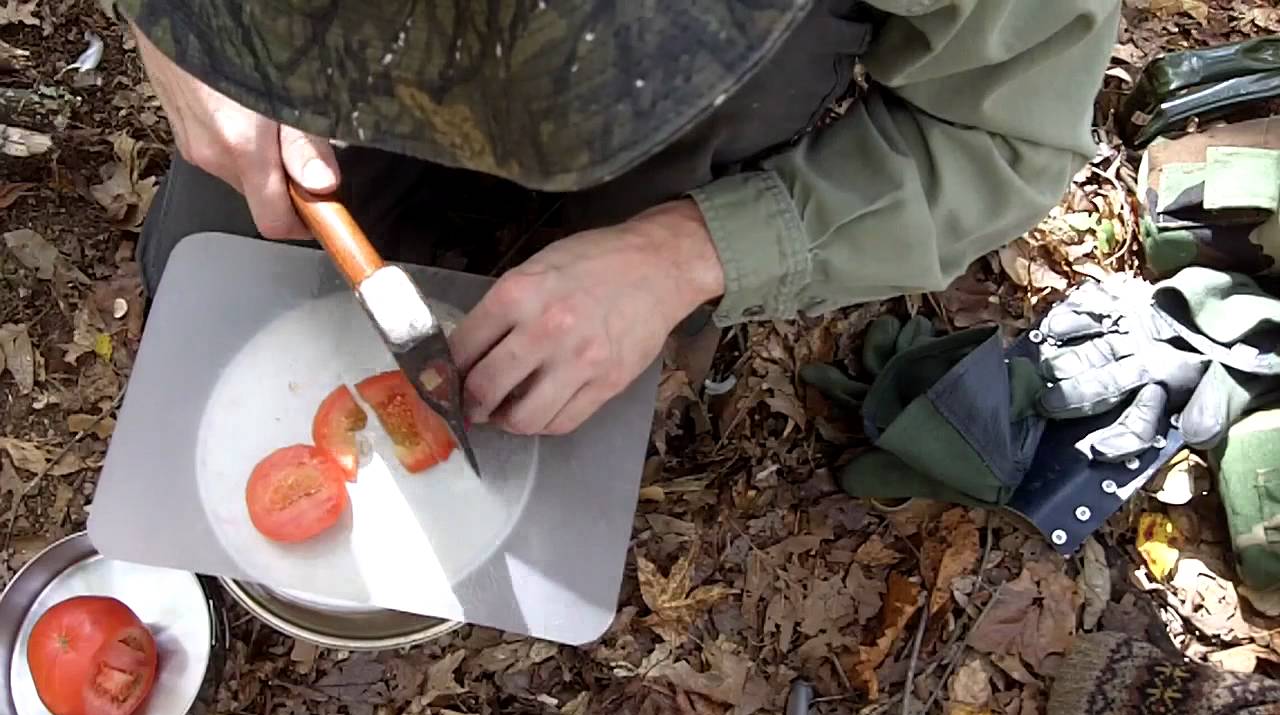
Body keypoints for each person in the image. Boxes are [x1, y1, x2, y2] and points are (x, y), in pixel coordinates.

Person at [115, 0, 1120, 437]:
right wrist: (182, 35)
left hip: (689, 126)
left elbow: (1002, 135)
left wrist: (687, 251)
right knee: (215, 282)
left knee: (557, 417)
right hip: (324, 77)